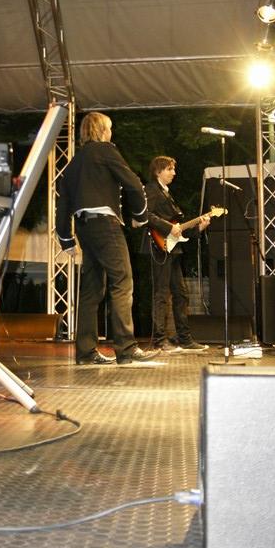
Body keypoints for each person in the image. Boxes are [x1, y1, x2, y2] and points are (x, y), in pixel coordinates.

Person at [56, 112, 159, 366]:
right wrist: (140, 216)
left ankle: (86, 352)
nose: (111, 133)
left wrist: (66, 239)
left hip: (84, 228)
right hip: (106, 225)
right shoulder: (106, 150)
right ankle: (126, 348)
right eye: (110, 128)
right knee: (122, 282)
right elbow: (134, 184)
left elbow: (63, 202)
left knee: (91, 289)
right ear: (102, 131)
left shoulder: (74, 162)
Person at [145, 156, 210, 352]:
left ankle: (185, 338)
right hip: (159, 248)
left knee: (181, 294)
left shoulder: (167, 194)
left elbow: (178, 229)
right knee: (161, 295)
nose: (174, 173)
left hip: (172, 248)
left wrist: (198, 228)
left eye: (173, 169)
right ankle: (159, 340)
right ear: (158, 171)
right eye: (169, 169)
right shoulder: (152, 190)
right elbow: (146, 215)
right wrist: (168, 227)